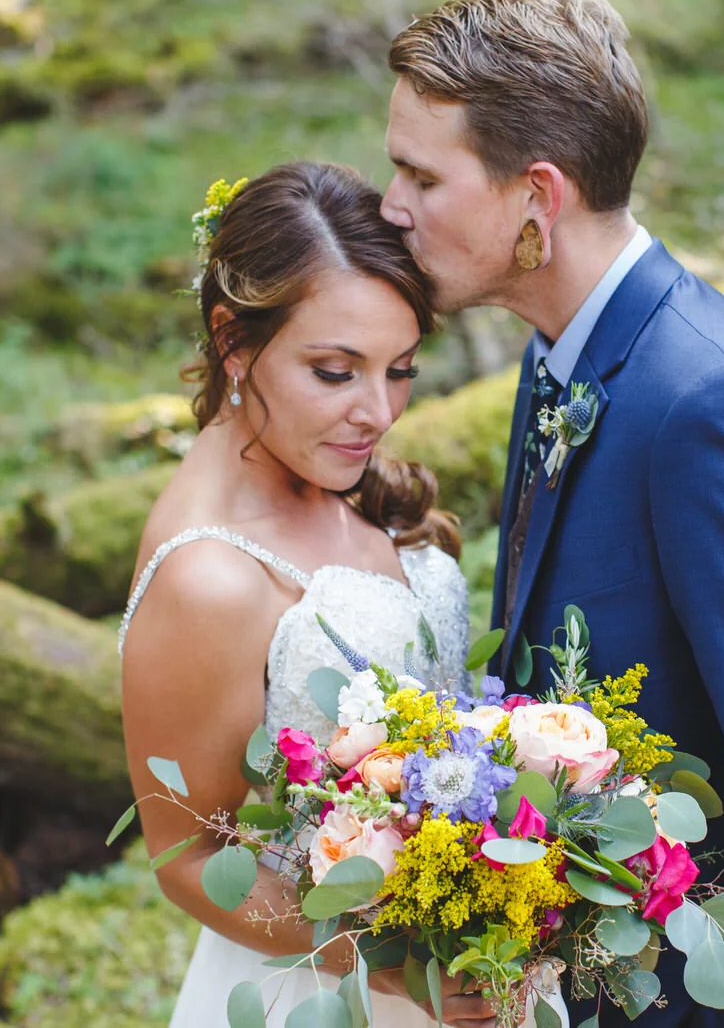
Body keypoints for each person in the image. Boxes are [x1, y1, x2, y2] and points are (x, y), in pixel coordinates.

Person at [380, 0, 724, 1027]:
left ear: (536, 196)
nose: (391, 204)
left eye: (421, 175)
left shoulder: (715, 404)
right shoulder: (562, 359)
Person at [119, 161, 500, 1027]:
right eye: (336, 371)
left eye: (400, 369)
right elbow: (186, 857)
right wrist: (398, 969)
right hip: (325, 995)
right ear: (233, 341)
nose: (379, 411)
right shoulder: (206, 576)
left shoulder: (324, 466)